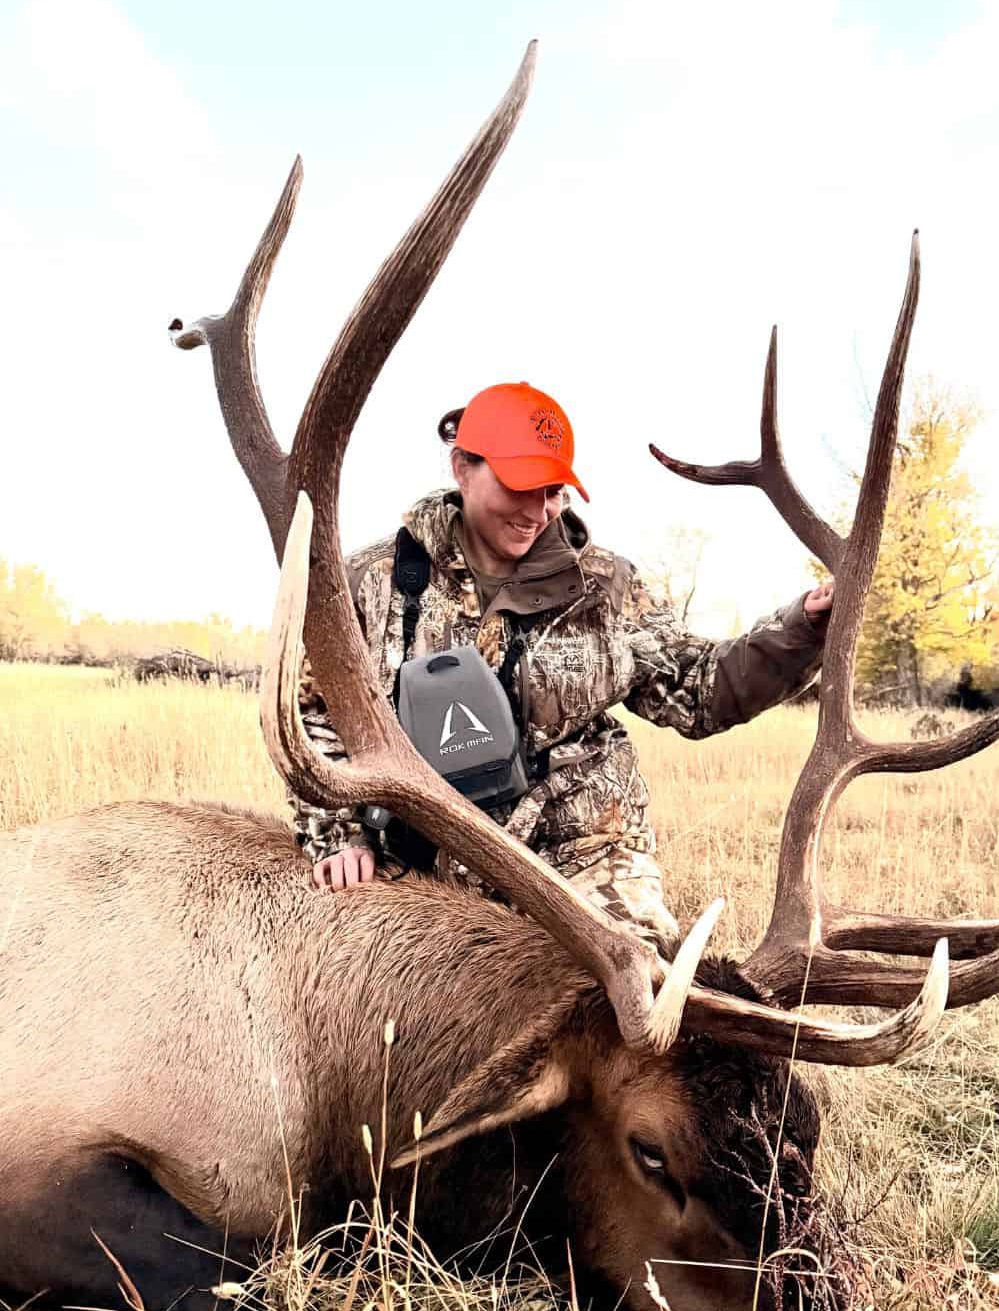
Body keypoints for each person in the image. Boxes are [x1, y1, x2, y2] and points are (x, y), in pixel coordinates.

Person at [292, 381, 834, 956]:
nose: (535, 511)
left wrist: (801, 630)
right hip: (419, 861)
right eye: (518, 486)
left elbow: (698, 689)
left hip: (581, 858)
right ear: (462, 468)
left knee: (634, 1005)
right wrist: (339, 834)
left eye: (552, 491)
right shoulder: (368, 582)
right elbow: (312, 711)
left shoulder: (604, 588)